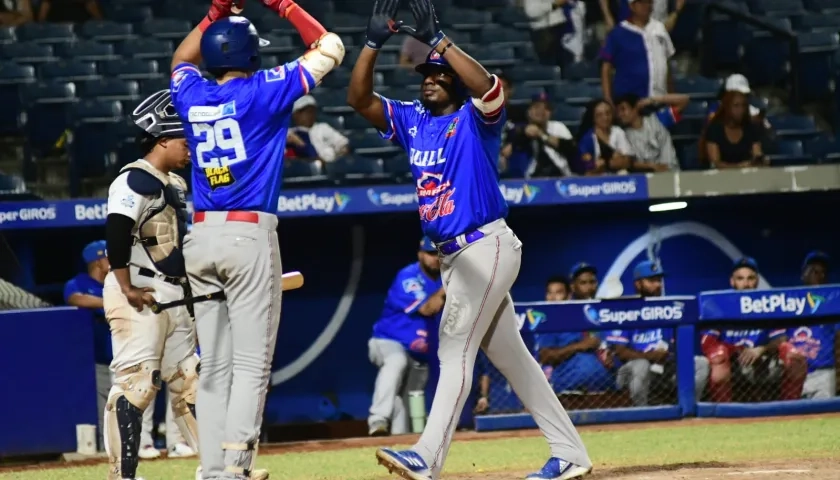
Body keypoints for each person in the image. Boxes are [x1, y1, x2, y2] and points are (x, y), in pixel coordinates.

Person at [347, 0, 592, 478]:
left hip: (486, 245)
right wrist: (372, 45)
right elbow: (360, 100)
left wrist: (441, 41)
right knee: (514, 360)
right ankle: (571, 455)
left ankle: (427, 456)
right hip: (454, 256)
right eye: (426, 73)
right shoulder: (413, 120)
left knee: (453, 347)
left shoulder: (477, 120)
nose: (431, 77)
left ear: (456, 83)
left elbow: (492, 87)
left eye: (440, 74)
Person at [169, 1, 344, 478]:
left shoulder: (192, 92)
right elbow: (332, 45)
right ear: (249, 57)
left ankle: (210, 469)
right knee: (251, 363)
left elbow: (180, 62)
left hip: (200, 234)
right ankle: (237, 465)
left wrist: (214, 11)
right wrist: (284, 4)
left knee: (214, 363)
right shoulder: (265, 89)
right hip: (248, 233)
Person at [102, 89, 199, 480]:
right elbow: (117, 230)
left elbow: (178, 241)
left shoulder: (174, 182)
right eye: (183, 141)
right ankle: (122, 475)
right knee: (137, 384)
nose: (190, 148)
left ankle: (220, 470)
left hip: (173, 293)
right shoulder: (132, 179)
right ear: (161, 139)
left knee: (190, 381)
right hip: (139, 289)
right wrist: (126, 287)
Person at [701, 257, 806, 403]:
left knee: (794, 356)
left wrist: (761, 349)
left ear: (757, 281)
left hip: (760, 364)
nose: (746, 284)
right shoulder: (720, 305)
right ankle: (723, 413)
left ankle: (790, 410)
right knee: (718, 358)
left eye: (750, 278)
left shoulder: (766, 304)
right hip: (731, 364)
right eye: (740, 279)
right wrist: (732, 349)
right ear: (732, 281)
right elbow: (707, 342)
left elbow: (781, 339)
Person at [368, 237, 443, 436]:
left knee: (407, 405)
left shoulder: (446, 276)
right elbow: (427, 308)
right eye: (430, 254)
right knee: (396, 361)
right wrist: (450, 288)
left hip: (420, 354)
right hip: (388, 341)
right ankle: (378, 419)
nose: (435, 259)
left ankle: (397, 441)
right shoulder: (409, 277)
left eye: (438, 254)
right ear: (420, 255)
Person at [607, 260, 709, 406]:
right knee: (641, 364)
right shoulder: (625, 310)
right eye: (651, 281)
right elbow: (620, 352)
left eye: (659, 280)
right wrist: (649, 356)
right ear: (638, 284)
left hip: (663, 368)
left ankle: (688, 409)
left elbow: (677, 346)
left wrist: (668, 354)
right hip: (628, 373)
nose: (658, 285)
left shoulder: (668, 309)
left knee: (701, 363)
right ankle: (641, 414)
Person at [64, 240, 111, 452]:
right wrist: (110, 303)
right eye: (108, 257)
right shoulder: (79, 283)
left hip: (123, 358)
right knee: (105, 411)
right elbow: (75, 299)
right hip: (98, 359)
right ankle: (107, 452)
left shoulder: (118, 282)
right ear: (98, 261)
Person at [600, 0, 674, 104]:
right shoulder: (617, 33)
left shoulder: (660, 29)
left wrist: (671, 98)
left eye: (649, 2)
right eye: (642, 3)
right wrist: (608, 100)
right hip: (630, 105)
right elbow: (606, 69)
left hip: (660, 101)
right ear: (632, 6)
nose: (647, 6)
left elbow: (667, 65)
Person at [500, 92, 577, 178]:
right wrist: (522, 135)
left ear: (551, 112)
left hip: (560, 177)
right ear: (529, 111)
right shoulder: (518, 128)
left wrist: (541, 135)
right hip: (527, 182)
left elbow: (572, 148)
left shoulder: (558, 127)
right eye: (536, 107)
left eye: (546, 108)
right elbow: (505, 151)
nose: (541, 111)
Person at [614, 93, 688, 172]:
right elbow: (627, 162)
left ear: (636, 108)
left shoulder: (658, 119)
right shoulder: (622, 134)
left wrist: (650, 100)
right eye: (618, 111)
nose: (620, 114)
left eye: (623, 109)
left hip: (672, 172)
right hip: (646, 178)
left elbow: (684, 100)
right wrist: (652, 166)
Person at [701, 86, 768, 169]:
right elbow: (716, 163)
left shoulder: (751, 128)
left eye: (743, 106)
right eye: (736, 106)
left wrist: (760, 161)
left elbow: (757, 153)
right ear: (727, 107)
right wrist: (738, 167)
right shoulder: (715, 129)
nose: (740, 110)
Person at [576, 99, 634, 175]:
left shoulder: (618, 132)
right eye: (600, 115)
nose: (605, 118)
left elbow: (627, 162)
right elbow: (589, 167)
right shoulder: (587, 138)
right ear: (593, 117)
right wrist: (614, 160)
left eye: (608, 113)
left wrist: (605, 163)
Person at [285, 95, 351, 163]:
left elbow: (343, 144)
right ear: (295, 114)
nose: (311, 115)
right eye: (307, 112)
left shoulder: (323, 128)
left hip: (330, 166)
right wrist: (299, 143)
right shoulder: (288, 134)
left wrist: (339, 159)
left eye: (312, 111)